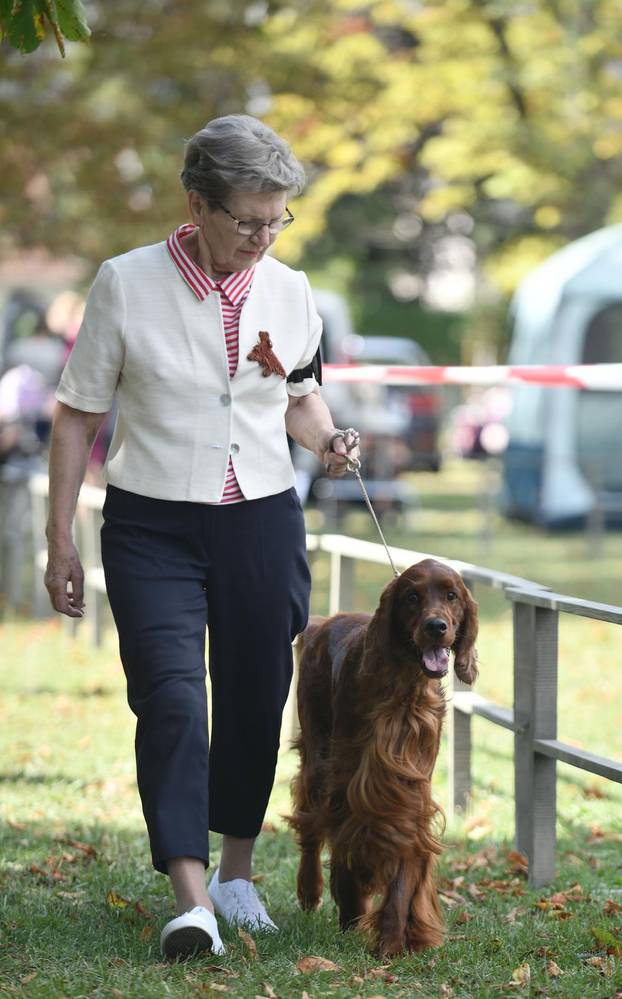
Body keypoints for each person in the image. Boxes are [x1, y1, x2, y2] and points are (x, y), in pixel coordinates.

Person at [44, 114, 360, 960]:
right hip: (153, 520)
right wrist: (59, 542)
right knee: (175, 695)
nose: (263, 236)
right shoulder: (125, 281)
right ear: (198, 203)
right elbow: (76, 416)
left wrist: (327, 440)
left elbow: (297, 393)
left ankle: (236, 871)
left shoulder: (292, 291)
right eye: (247, 219)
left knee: (257, 690)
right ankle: (190, 900)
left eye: (276, 220)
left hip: (261, 513)